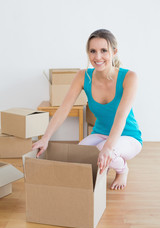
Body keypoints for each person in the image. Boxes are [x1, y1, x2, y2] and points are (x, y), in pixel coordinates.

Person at [32, 29, 142, 191]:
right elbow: (63, 109)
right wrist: (45, 138)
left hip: (128, 136)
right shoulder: (84, 76)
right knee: (79, 154)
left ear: (114, 52)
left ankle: (122, 169)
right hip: (100, 133)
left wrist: (108, 148)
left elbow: (121, 116)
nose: (97, 57)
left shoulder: (129, 77)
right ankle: (108, 157)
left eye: (104, 50)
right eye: (93, 51)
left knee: (101, 153)